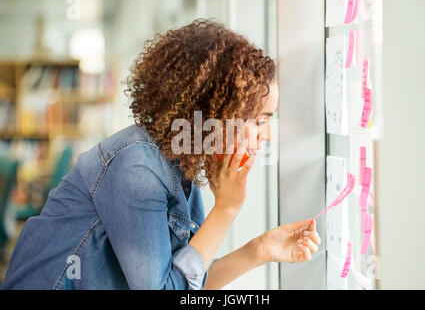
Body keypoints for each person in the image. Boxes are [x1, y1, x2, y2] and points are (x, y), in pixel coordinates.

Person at [1, 19, 320, 290]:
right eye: (257, 119)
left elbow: (183, 280)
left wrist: (261, 249)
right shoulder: (138, 165)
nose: (266, 134)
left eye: (269, 119)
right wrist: (226, 209)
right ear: (214, 109)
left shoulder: (181, 170)